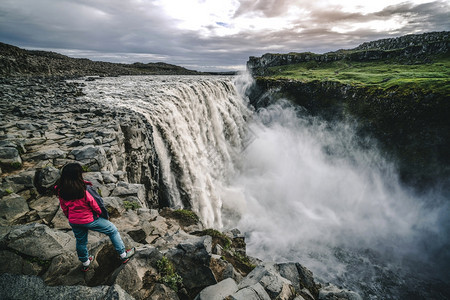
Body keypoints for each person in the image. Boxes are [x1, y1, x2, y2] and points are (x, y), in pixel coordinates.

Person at [55, 162, 135, 272]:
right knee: (112, 230)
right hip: (90, 219)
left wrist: (70, 217)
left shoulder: (61, 190)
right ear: (78, 175)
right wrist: (103, 216)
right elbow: (97, 204)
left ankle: (85, 262)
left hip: (74, 220)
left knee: (81, 242)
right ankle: (123, 254)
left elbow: (64, 207)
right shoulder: (84, 189)